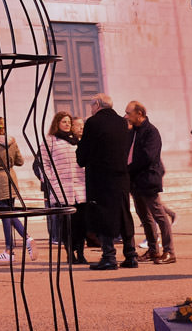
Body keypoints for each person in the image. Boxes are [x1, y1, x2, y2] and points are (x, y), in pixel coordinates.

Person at [76, 93, 135, 270]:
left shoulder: (93, 122)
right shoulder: (121, 122)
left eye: (92, 105)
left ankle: (109, 257)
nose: (91, 108)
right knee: (124, 214)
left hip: (100, 178)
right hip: (121, 177)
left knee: (104, 216)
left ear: (98, 105)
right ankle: (131, 255)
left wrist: (81, 157)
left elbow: (84, 150)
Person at [125, 101, 176, 264]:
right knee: (144, 217)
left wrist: (128, 168)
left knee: (159, 215)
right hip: (135, 180)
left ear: (139, 114)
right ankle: (153, 250)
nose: (126, 116)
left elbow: (148, 157)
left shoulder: (151, 132)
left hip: (147, 179)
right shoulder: (133, 131)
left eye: (128, 113)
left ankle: (169, 251)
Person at [0, 116, 32, 262]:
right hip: (11, 178)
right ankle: (9, 250)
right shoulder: (12, 142)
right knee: (9, 213)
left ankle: (25, 238)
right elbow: (20, 161)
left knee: (6, 214)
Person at [38, 110, 86, 263]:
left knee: (80, 223)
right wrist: (51, 181)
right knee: (67, 225)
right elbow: (43, 163)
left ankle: (81, 253)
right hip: (62, 189)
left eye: (69, 122)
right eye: (64, 121)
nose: (67, 124)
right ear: (57, 123)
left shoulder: (77, 141)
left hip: (80, 188)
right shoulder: (50, 140)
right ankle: (70, 254)